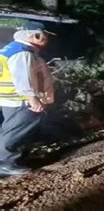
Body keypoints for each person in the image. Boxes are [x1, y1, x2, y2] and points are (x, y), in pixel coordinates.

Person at [0, 21, 55, 176]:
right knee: (14, 132)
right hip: (19, 100)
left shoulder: (13, 49)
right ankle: (5, 163)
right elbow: (23, 78)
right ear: (36, 35)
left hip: (11, 99)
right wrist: (32, 99)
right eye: (46, 36)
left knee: (14, 130)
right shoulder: (22, 52)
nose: (47, 40)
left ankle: (13, 160)